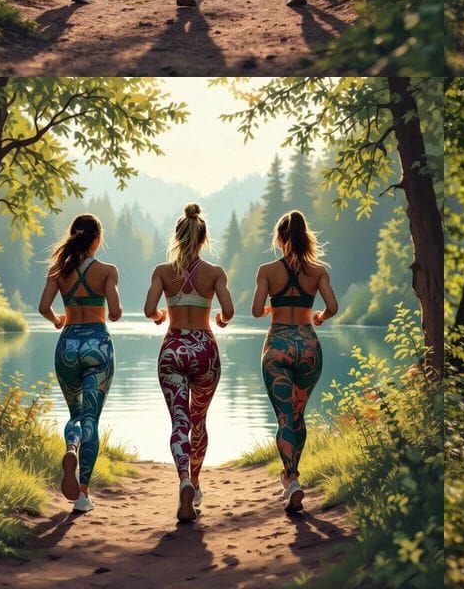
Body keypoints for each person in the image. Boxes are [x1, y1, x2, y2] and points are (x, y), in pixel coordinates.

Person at [144, 203, 234, 522]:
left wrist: (160, 317)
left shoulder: (162, 272)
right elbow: (228, 311)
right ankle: (195, 484)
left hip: (173, 348)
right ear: (203, 238)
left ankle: (182, 479)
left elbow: (149, 309)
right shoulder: (215, 273)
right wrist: (220, 320)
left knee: (179, 421)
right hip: (204, 349)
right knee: (199, 420)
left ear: (178, 237)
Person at [251, 210, 337, 512]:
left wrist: (272, 310)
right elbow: (333, 306)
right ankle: (291, 480)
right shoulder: (318, 271)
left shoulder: (267, 270)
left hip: (277, 346)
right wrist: (320, 317)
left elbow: (256, 309)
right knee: (298, 415)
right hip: (308, 345)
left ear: (279, 238)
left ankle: (291, 479)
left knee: (284, 418)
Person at [38, 214, 121, 512]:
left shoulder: (58, 269)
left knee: (75, 413)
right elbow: (115, 312)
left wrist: (59, 319)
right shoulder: (107, 271)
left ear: (73, 235)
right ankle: (83, 494)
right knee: (91, 419)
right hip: (97, 346)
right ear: (97, 238)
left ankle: (71, 446)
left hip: (68, 345)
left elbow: (43, 307)